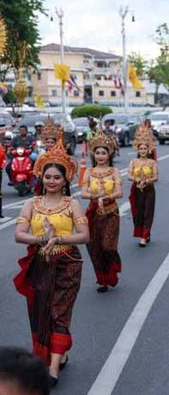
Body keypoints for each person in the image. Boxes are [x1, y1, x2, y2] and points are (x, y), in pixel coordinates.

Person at [14, 138, 89, 387]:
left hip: (67, 263)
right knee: (40, 314)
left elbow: (84, 236)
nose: (52, 181)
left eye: (57, 177)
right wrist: (40, 238)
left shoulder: (73, 204)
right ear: (41, 178)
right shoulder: (30, 204)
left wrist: (57, 237)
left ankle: (53, 367)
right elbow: (18, 235)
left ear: (65, 179)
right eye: (48, 177)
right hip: (39, 265)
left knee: (59, 313)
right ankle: (58, 352)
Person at [81, 133, 123, 293]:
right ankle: (102, 280)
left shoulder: (114, 171)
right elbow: (83, 192)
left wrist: (106, 196)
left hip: (111, 211)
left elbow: (119, 192)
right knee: (94, 246)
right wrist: (94, 195)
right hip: (93, 212)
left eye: (103, 153)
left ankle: (112, 269)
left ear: (109, 154)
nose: (100, 156)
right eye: (97, 153)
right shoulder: (89, 172)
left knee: (108, 246)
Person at [127, 124, 158, 247]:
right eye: (141, 149)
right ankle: (144, 233)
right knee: (138, 213)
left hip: (149, 190)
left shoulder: (152, 162)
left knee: (148, 213)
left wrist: (147, 181)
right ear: (138, 150)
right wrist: (137, 180)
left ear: (148, 150)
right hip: (136, 190)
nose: (143, 151)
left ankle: (144, 236)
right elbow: (129, 176)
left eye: (145, 149)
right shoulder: (133, 162)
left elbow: (156, 177)